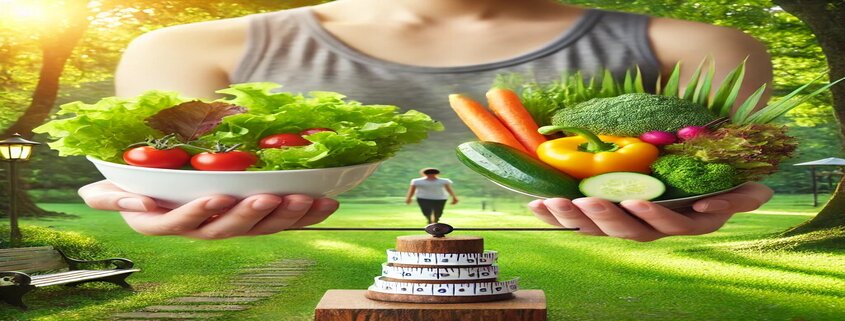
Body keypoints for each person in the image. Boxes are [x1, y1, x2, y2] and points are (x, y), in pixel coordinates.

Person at [79, 0, 774, 241]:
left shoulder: (702, 48)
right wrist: (145, 194)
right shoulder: (180, 50)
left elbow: (707, 172)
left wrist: (714, 192)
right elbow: (158, 166)